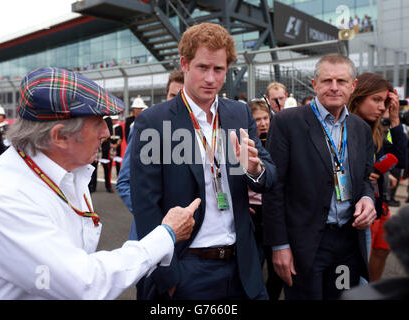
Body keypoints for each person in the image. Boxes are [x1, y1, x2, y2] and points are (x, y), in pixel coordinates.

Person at [0, 67, 198, 300]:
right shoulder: (0, 195)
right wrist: (166, 234)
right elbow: (84, 284)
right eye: (97, 123)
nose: (106, 131)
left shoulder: (69, 171)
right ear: (59, 136)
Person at [130, 22, 277, 300]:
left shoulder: (240, 114)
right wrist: (168, 277)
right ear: (185, 64)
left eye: (219, 69)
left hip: (242, 266)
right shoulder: (153, 121)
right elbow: (146, 205)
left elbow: (270, 176)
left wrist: (254, 168)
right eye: (203, 67)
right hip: (187, 268)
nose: (211, 78)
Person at [263, 53, 377, 300]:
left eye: (341, 81)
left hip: (347, 243)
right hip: (306, 245)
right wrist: (279, 246)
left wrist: (368, 199)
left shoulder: (359, 128)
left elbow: (366, 179)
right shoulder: (287, 122)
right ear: (314, 85)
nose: (334, 87)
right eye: (326, 81)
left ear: (352, 86)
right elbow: (274, 188)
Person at [347, 72, 408, 282]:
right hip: (360, 209)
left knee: (382, 250)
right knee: (361, 260)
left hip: (379, 204)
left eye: (384, 101)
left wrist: (394, 119)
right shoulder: (344, 126)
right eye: (376, 100)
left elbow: (400, 161)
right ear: (358, 96)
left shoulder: (378, 129)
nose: (382, 107)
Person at [116, 69, 184, 242]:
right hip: (152, 236)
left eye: (184, 97)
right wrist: (156, 218)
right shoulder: (148, 128)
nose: (177, 102)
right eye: (172, 95)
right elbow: (124, 182)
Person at [248, 99, 283, 300]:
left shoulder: (279, 141)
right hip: (252, 212)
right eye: (257, 119)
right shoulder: (246, 144)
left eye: (265, 118)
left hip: (274, 211)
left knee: (277, 266)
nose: (262, 123)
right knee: (254, 266)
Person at [341, 204, 409, 300]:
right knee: (364, 256)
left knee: (382, 249)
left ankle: (372, 287)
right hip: (364, 209)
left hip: (382, 205)